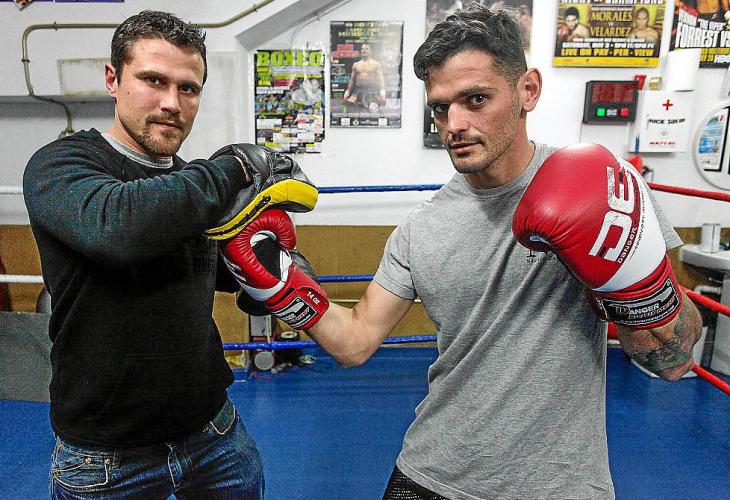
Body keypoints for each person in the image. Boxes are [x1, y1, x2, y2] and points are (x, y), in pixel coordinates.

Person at [221, 4, 703, 499]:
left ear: (528, 90)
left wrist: (635, 290)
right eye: (439, 107)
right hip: (432, 474)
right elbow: (355, 342)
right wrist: (282, 286)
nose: (453, 124)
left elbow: (673, 361)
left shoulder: (606, 188)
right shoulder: (421, 229)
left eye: (476, 99)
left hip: (560, 485)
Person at [23, 10, 316, 499]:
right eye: (153, 80)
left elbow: (223, 269)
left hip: (213, 433)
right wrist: (237, 167)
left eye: (188, 88)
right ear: (113, 79)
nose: (171, 103)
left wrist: (273, 272)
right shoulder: (61, 165)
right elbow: (120, 229)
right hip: (105, 456)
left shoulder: (195, 188)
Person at [342, 43, 387, 112]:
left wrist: (382, 91)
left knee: (375, 111)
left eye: (366, 49)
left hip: (372, 91)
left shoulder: (376, 64)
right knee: (351, 108)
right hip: (358, 91)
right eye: (362, 49)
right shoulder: (356, 65)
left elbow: (381, 79)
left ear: (371, 51)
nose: (364, 50)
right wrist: (348, 91)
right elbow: (352, 80)